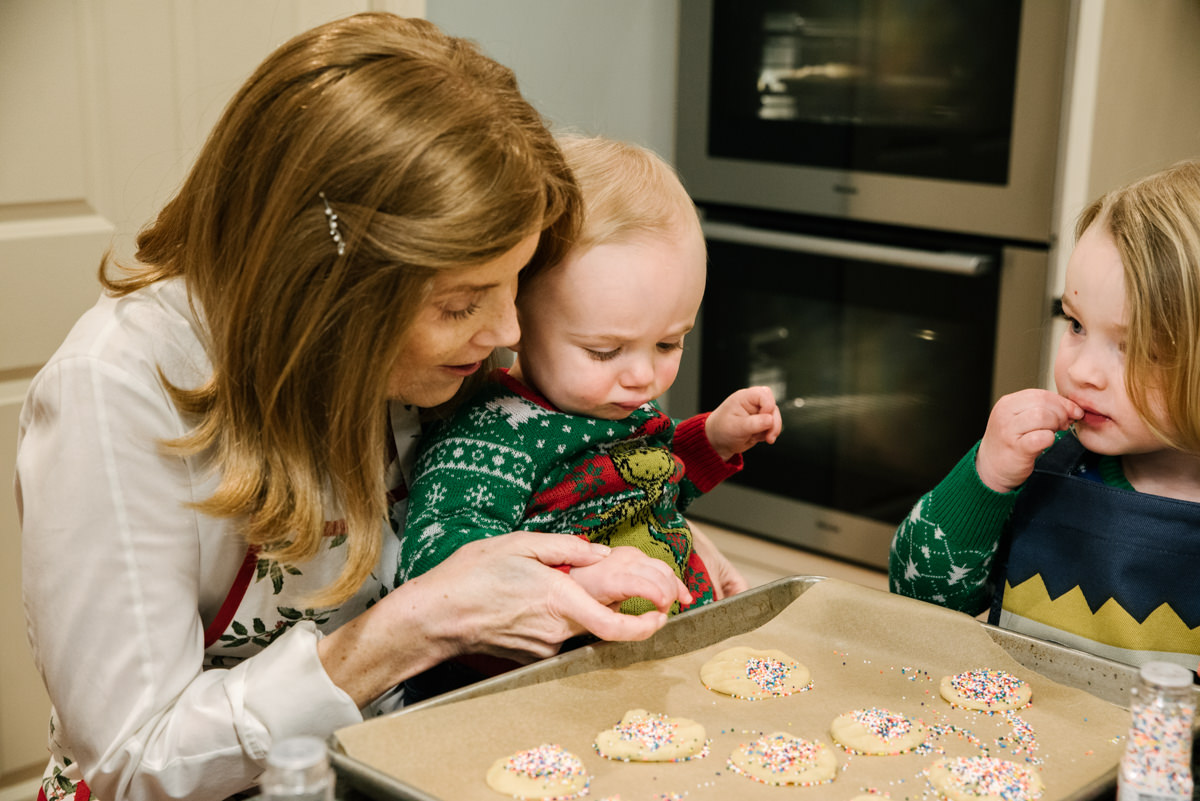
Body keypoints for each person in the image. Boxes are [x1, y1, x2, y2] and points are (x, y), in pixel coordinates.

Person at [16, 15, 693, 801]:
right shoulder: (118, 389)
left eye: (515, 282)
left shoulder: (461, 353)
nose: (507, 332)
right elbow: (133, 761)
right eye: (462, 302)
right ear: (327, 288)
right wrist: (417, 624)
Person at [400, 135, 782, 620]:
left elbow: (645, 481)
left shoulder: (605, 401)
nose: (643, 376)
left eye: (668, 343)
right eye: (604, 351)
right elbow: (441, 562)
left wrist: (711, 440)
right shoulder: (488, 438)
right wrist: (570, 583)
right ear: (516, 320)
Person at [889, 159, 1200, 670]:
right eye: (1075, 324)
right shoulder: (1039, 462)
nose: (1081, 371)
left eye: (1137, 347)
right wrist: (985, 479)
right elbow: (915, 596)